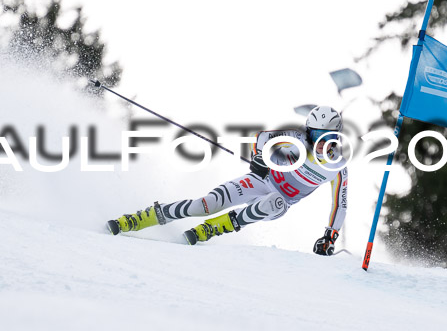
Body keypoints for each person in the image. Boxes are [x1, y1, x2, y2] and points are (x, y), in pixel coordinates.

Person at [106, 105, 348, 255]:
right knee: (204, 205)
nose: (317, 140)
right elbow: (262, 138)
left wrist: (330, 236)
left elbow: (340, 205)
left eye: (323, 135)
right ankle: (139, 218)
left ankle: (213, 228)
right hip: (258, 181)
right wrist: (261, 159)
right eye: (313, 133)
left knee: (274, 201)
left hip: (277, 203)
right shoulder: (297, 138)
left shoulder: (338, 167)